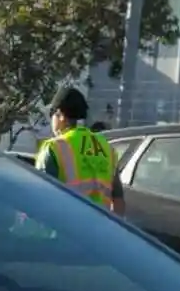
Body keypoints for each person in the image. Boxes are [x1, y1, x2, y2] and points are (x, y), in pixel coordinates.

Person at [34, 86, 125, 216]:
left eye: (52, 114)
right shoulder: (106, 148)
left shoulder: (54, 147)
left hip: (66, 228)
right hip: (99, 229)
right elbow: (118, 199)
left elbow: (41, 197)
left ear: (60, 115)